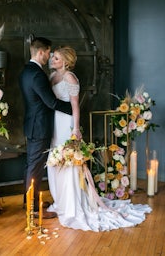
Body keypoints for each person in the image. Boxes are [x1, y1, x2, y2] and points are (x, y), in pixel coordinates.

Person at [47, 45, 152, 232]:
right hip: (54, 122)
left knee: (69, 161)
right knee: (55, 160)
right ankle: (60, 201)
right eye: (52, 57)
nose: (52, 60)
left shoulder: (70, 77)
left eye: (56, 58)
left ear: (65, 61)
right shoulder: (51, 76)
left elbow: (75, 106)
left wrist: (76, 128)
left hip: (66, 122)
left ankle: (72, 204)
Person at [19, 37, 72, 219]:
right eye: (49, 53)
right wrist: (72, 109)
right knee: (35, 168)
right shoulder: (37, 74)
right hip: (40, 127)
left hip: (32, 124)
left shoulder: (26, 71)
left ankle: (30, 203)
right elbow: (50, 102)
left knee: (31, 166)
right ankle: (33, 209)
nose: (49, 57)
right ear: (41, 52)